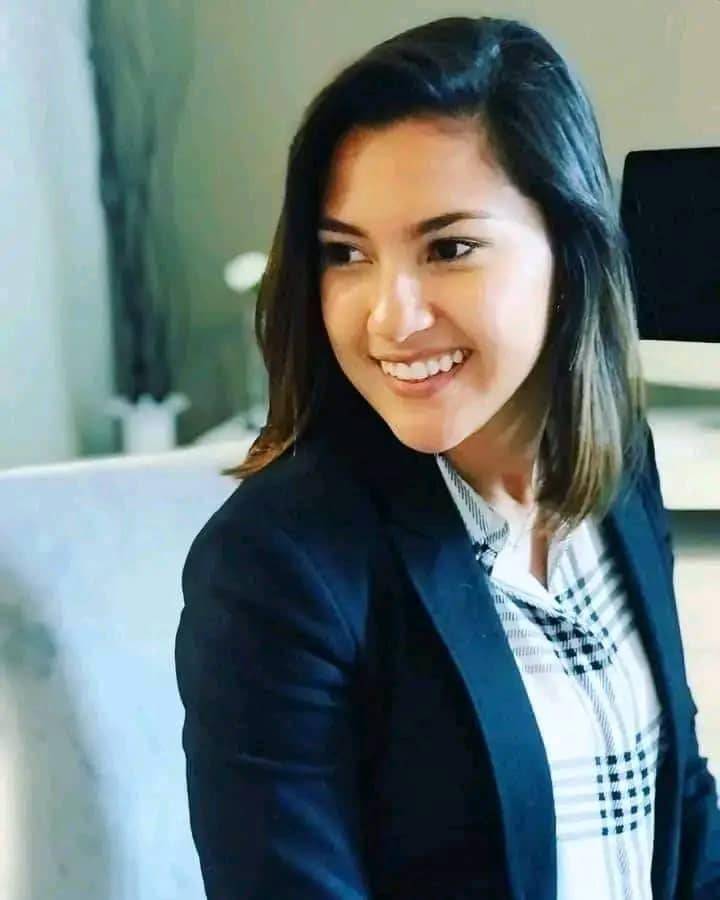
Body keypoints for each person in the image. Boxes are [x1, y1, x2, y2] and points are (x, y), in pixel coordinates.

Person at [174, 15, 720, 899]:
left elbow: (682, 800)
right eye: (346, 254)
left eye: (449, 248)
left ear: (570, 247)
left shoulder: (617, 464)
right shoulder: (277, 568)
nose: (391, 317)